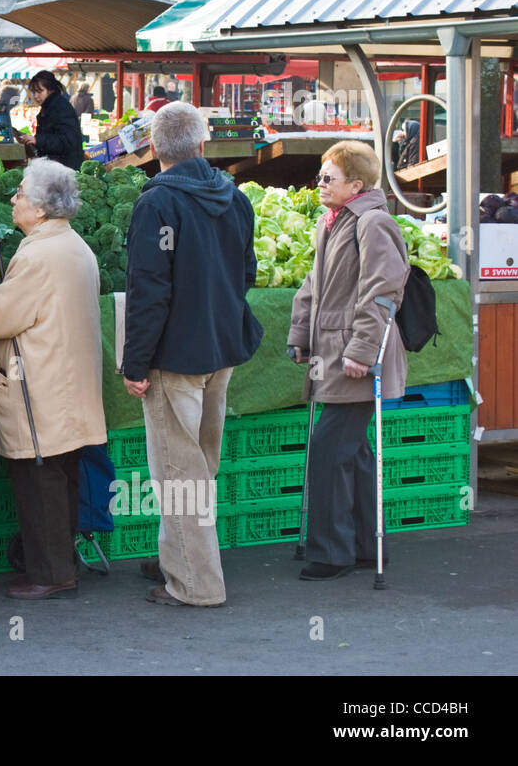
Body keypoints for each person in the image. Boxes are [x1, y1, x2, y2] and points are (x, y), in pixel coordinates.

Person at [122, 101, 262, 607]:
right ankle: (180, 561)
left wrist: (135, 364)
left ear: (153, 149)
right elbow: (246, 272)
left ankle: (196, 584)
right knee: (199, 466)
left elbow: (148, 292)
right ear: (203, 146)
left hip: (175, 357)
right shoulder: (234, 197)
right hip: (220, 349)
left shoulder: (156, 205)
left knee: (181, 475)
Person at [0, 159, 107, 600]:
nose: (13, 200)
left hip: (39, 389)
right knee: (61, 475)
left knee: (40, 482)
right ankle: (60, 566)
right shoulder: (76, 245)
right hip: (66, 385)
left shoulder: (36, 254)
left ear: (40, 207)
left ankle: (51, 574)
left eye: (19, 193)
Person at [288, 141, 408, 581]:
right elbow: (312, 285)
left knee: (329, 449)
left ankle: (332, 552)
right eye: (320, 176)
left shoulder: (373, 223)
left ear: (356, 185)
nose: (320, 184)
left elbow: (383, 291)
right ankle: (361, 545)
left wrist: (361, 351)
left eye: (328, 177)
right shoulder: (331, 222)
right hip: (331, 352)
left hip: (353, 356)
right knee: (352, 451)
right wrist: (300, 333)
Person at [16, 70, 83, 171]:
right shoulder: (48, 107)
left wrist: (38, 140)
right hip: (57, 168)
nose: (35, 96)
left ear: (51, 90)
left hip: (66, 170)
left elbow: (68, 141)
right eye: (34, 92)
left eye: (40, 91)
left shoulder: (61, 107)